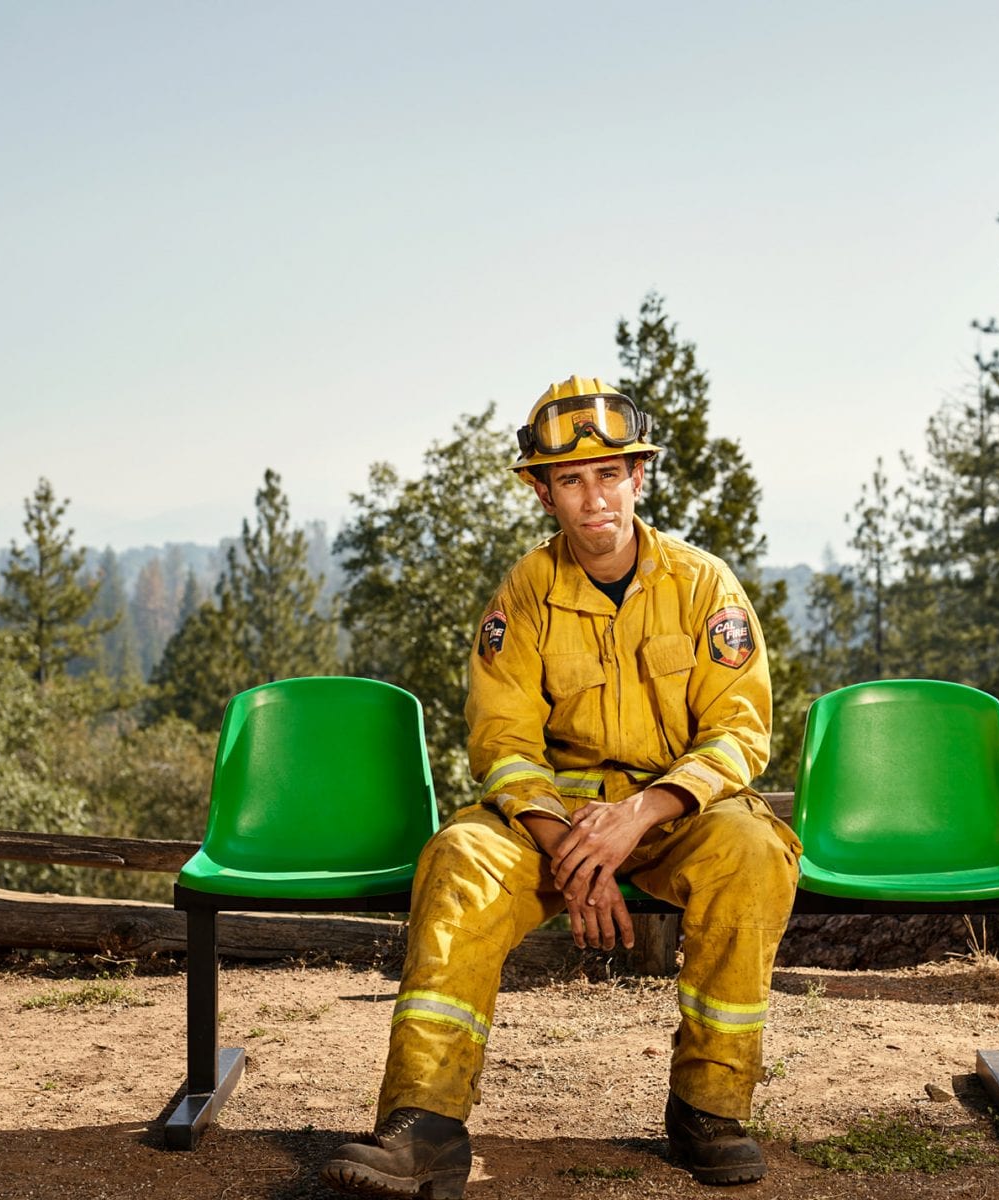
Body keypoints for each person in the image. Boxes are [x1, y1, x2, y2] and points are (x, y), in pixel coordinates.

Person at [322, 375, 801, 1198]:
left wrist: (642, 814)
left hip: (673, 812)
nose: (594, 499)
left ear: (638, 478)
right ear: (541, 492)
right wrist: (574, 849)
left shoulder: (702, 586)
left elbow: (737, 731)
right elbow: (502, 741)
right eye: (571, 481)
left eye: (610, 474)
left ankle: (708, 1109)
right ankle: (424, 1129)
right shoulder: (524, 595)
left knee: (756, 853)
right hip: (548, 824)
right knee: (459, 856)